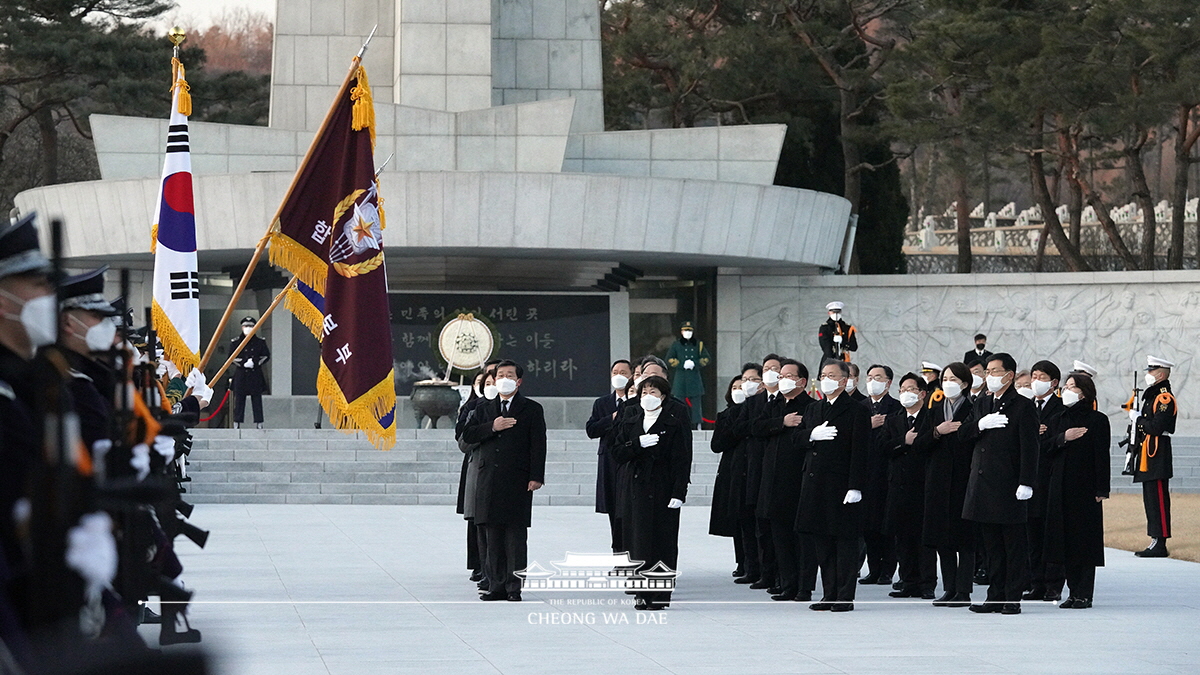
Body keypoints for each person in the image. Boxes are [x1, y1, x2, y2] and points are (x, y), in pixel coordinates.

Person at [462, 360, 547, 601]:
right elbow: (467, 434)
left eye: (510, 375)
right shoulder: (483, 408)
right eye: (501, 375)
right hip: (488, 478)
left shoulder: (531, 409)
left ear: (518, 381)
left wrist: (536, 476)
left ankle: (514, 587)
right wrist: (493, 426)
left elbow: (538, 444)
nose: (505, 378)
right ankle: (496, 585)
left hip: (518, 479)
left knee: (515, 537)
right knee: (492, 536)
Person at [964, 353, 1038, 615]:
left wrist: (1026, 481)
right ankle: (994, 595)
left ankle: (1012, 597)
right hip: (984, 484)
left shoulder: (1022, 406)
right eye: (987, 372)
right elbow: (964, 434)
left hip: (1009, 486)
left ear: (1009, 375)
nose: (989, 376)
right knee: (992, 547)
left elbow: (1030, 448)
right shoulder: (983, 403)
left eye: (995, 371)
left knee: (1013, 546)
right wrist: (979, 425)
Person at [612, 375, 692, 610]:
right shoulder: (630, 418)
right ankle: (640, 592)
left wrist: (679, 492)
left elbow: (683, 458)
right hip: (635, 488)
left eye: (653, 392)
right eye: (644, 392)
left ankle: (659, 594)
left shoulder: (674, 420)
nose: (648, 396)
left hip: (663, 488)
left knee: (662, 541)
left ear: (664, 396)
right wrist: (637, 444)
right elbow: (616, 451)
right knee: (637, 540)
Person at [797, 360, 869, 612]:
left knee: (845, 544)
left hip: (841, 486)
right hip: (815, 484)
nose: (826, 379)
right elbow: (797, 438)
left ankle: (844, 596)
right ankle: (828, 593)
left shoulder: (856, 410)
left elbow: (861, 450)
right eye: (823, 374)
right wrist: (810, 435)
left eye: (831, 375)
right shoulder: (814, 408)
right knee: (823, 544)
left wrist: (856, 486)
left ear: (843, 380)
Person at [1042, 372, 1109, 609]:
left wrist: (1102, 488)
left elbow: (1102, 456)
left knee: (1084, 541)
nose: (1067, 390)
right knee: (1064, 540)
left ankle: (1084, 594)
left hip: (1086, 488)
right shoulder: (1058, 419)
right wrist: (1063, 437)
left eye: (1072, 386)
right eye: (1066, 386)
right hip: (1059, 486)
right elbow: (1044, 447)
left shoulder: (1097, 420)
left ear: (1084, 392)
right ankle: (1071, 592)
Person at [753, 358, 815, 601]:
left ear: (801, 381)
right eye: (781, 376)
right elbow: (756, 427)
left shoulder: (810, 405)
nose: (783, 380)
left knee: (802, 539)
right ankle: (786, 583)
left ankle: (804, 586)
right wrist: (782, 422)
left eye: (788, 376)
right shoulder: (774, 403)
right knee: (779, 537)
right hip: (772, 480)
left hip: (798, 480)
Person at [919, 363, 977, 607]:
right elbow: (919, 444)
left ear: (964, 383)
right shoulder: (933, 410)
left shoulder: (974, 409)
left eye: (953, 378)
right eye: (945, 378)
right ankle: (949, 588)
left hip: (964, 480)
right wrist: (937, 432)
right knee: (942, 539)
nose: (948, 382)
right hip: (938, 481)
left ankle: (963, 590)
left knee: (964, 540)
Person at [884, 373, 937, 599]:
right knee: (903, 537)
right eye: (902, 390)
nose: (906, 394)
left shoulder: (932, 418)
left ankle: (927, 583)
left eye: (911, 389)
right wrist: (902, 442)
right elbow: (882, 447)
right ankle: (908, 581)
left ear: (922, 393)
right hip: (899, 486)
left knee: (924, 538)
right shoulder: (894, 419)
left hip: (924, 485)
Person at [739, 354, 782, 591]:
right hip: (757, 469)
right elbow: (750, 428)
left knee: (778, 526)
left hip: (781, 469)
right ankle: (764, 572)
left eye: (775, 368)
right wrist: (776, 425)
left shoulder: (787, 401)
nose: (770, 372)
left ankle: (780, 575)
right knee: (760, 527)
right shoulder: (754, 402)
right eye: (767, 368)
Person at [1024, 360, 1066, 602]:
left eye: (1041, 377)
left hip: (1051, 477)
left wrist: (1045, 434)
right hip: (1030, 479)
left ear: (1054, 382)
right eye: (1034, 376)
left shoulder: (1061, 409)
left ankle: (1053, 584)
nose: (1035, 381)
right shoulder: (1026, 406)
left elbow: (1058, 438)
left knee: (1052, 534)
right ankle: (1034, 582)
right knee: (1032, 534)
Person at [860, 364, 901, 586]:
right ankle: (873, 568)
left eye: (878, 377)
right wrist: (869, 425)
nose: (872, 381)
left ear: (888, 382)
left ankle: (888, 569)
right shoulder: (860, 407)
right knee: (869, 525)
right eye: (869, 377)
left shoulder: (895, 407)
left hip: (887, 471)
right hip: (865, 472)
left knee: (886, 525)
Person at [1131, 355, 1176, 558]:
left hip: (1157, 452)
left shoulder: (1164, 397)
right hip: (1148, 452)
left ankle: (1161, 540)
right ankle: (1154, 539)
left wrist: (1138, 419)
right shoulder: (1153, 395)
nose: (1147, 374)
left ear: (1159, 374)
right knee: (1150, 498)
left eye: (1150, 371)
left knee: (1157, 497)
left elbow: (1157, 427)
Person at [587, 359, 633, 553]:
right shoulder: (602, 403)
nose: (619, 375)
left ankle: (633, 551)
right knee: (614, 510)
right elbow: (591, 429)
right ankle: (618, 553)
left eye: (624, 372)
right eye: (615, 372)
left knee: (629, 509)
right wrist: (611, 419)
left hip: (630, 459)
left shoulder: (636, 401)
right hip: (609, 460)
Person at [729, 363, 764, 585]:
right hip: (742, 470)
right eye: (744, 379)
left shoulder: (767, 403)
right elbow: (737, 430)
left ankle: (764, 569)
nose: (746, 384)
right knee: (746, 525)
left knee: (761, 526)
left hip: (762, 469)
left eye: (752, 379)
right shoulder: (746, 406)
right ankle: (750, 567)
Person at [456, 369, 490, 585]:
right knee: (475, 518)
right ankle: (478, 564)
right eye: (483, 381)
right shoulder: (471, 408)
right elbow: (463, 438)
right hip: (475, 463)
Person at [709, 375, 745, 576]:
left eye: (742, 386)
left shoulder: (754, 412)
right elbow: (716, 445)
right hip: (730, 469)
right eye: (735, 387)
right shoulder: (724, 415)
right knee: (735, 518)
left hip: (748, 467)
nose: (738, 390)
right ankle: (741, 561)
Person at [665, 321, 711, 428]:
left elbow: (706, 358)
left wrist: (695, 363)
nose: (688, 332)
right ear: (681, 332)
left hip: (694, 377)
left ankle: (697, 423)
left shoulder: (698, 344)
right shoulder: (676, 345)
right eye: (685, 330)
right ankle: (677, 423)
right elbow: (669, 359)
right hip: (681, 378)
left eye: (689, 330)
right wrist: (681, 364)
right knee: (678, 402)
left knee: (696, 403)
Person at [230, 315, 270, 429]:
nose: (248, 328)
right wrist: (243, 363)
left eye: (251, 326)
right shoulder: (235, 342)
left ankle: (259, 422)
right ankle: (237, 422)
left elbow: (266, 355)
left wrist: (255, 362)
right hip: (241, 375)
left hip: (255, 374)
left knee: (257, 399)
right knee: (239, 400)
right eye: (246, 326)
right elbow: (231, 358)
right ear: (242, 327)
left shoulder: (260, 342)